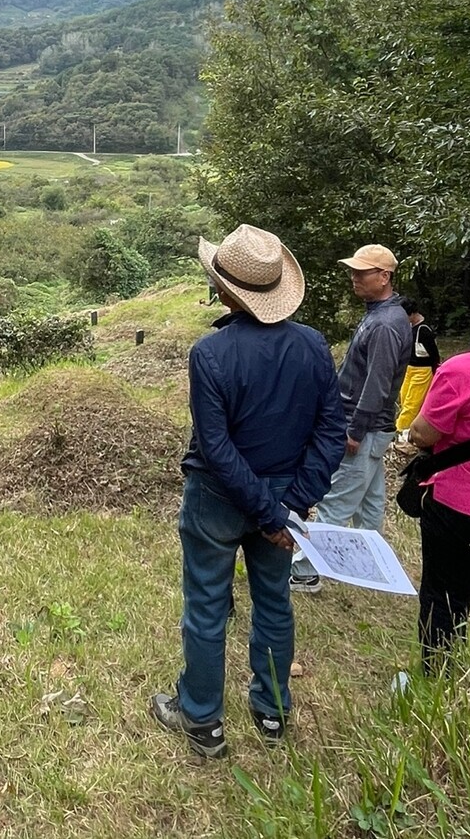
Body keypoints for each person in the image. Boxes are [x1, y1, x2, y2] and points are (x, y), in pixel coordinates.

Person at [150, 224, 345, 758]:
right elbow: (331, 431)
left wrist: (268, 510)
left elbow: (216, 447)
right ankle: (273, 711)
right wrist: (290, 507)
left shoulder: (210, 354)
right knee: (275, 602)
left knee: (208, 606)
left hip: (219, 498)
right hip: (285, 498)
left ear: (225, 289)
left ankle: (201, 719)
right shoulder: (313, 346)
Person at [291, 243, 411, 593]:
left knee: (336, 501)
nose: (354, 277)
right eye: (354, 271)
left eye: (362, 272)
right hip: (373, 427)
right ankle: (368, 566)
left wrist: (354, 430)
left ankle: (304, 571)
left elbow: (377, 382)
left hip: (365, 427)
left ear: (384, 276)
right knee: (370, 503)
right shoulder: (380, 314)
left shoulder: (386, 323)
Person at [409, 267, 470, 670]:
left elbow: (423, 433)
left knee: (445, 594)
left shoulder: (460, 371)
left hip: (460, 507)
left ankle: (438, 676)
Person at [396, 298, 441, 433]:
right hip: (408, 368)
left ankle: (398, 430)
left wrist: (436, 370)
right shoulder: (409, 327)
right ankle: (409, 429)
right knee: (405, 400)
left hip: (422, 370)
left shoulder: (424, 330)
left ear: (412, 314)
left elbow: (434, 354)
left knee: (412, 404)